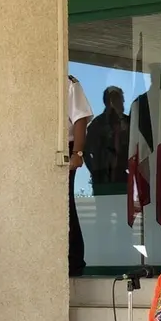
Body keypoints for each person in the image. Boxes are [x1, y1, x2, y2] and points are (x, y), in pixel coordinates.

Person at [67, 75, 94, 277]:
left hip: (66, 150)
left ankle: (74, 262)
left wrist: (77, 152)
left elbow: (80, 119)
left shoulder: (68, 83)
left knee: (65, 205)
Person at [83, 86, 130, 189]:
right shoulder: (97, 124)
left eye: (121, 98)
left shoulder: (129, 122)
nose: (122, 102)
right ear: (109, 101)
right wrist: (95, 172)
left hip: (125, 177)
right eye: (119, 98)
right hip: (102, 179)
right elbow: (86, 152)